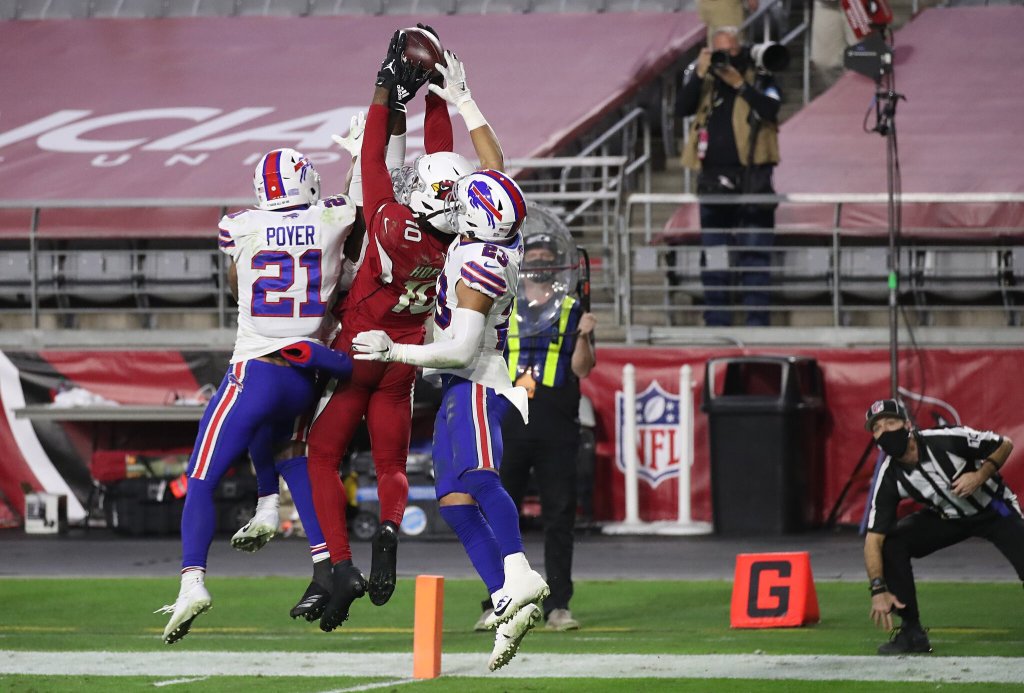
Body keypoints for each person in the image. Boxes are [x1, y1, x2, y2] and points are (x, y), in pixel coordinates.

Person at [304, 29, 511, 633]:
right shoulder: (462, 237)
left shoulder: (392, 222)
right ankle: (390, 528)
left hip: (358, 348)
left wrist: (384, 89)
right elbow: (450, 161)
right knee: (391, 459)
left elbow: (374, 159)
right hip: (406, 356)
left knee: (322, 454)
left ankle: (338, 563)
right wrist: (440, 99)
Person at [157, 148, 358, 644]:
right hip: (305, 372)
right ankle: (321, 557)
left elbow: (235, 282)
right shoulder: (333, 216)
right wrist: (358, 156)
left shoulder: (239, 225)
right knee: (290, 455)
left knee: (200, 478)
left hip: (256, 368)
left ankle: (192, 582)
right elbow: (354, 197)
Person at [352, 166, 548, 668]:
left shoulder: (483, 265)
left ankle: (520, 571)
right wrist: (468, 116)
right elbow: (493, 164)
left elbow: (460, 351)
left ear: (481, 221)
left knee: (479, 478)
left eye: (465, 206)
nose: (455, 208)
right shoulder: (498, 235)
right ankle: (506, 602)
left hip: (477, 380)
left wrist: (394, 351)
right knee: (456, 504)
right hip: (458, 386)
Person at [473, 221, 596, 633]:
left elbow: (583, 369)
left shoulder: (572, 309)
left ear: (558, 265)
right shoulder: (503, 304)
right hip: (508, 422)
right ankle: (499, 599)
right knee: (498, 515)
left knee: (559, 517)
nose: (540, 264)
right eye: (534, 258)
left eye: (547, 259)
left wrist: (585, 336)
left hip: (557, 424)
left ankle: (558, 605)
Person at [863, 398, 1021, 655]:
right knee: (893, 543)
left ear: (907, 425)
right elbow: (874, 539)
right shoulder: (890, 475)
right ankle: (912, 633)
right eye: (877, 428)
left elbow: (1004, 444)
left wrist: (979, 476)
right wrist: (878, 589)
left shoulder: (945, 440)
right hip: (949, 517)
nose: (884, 431)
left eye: (890, 423)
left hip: (994, 507)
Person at [677, 25, 781, 328]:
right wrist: (700, 72)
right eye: (719, 52)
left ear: (742, 49)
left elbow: (772, 109)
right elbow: (681, 108)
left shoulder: (760, 75)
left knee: (755, 256)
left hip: (753, 181)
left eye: (731, 51)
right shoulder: (705, 81)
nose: (726, 59)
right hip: (713, 182)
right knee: (715, 257)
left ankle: (757, 323)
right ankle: (717, 322)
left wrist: (741, 85)